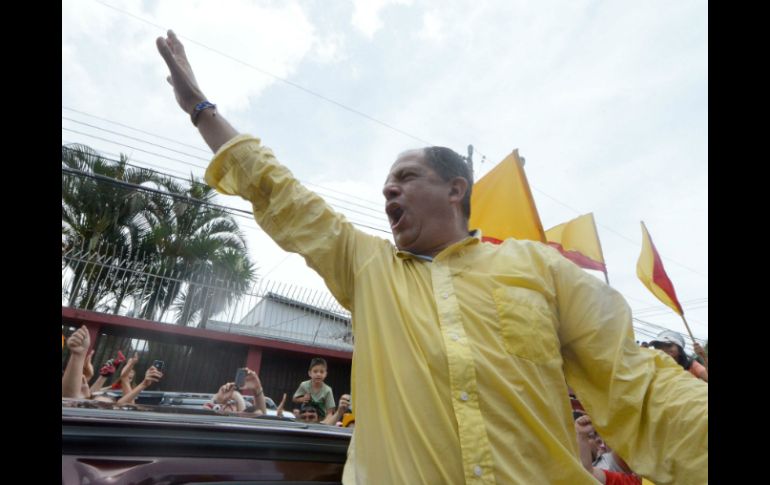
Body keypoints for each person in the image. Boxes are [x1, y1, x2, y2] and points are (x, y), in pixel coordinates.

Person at [157, 30, 707, 484]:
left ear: (455, 189)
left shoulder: (538, 269)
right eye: (386, 184)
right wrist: (201, 110)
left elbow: (637, 382)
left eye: (405, 177)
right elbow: (280, 192)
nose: (388, 191)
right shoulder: (368, 269)